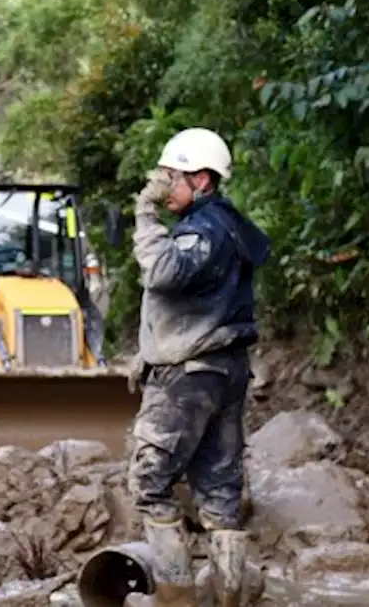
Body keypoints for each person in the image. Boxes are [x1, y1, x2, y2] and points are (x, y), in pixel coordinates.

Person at [125, 127, 270, 607]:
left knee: (150, 484)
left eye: (173, 176)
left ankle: (176, 600)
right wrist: (148, 353)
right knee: (220, 497)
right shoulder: (228, 228)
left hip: (190, 377)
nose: (164, 185)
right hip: (223, 369)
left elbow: (165, 273)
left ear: (203, 179)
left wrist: (145, 215)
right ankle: (228, 599)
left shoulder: (203, 231)